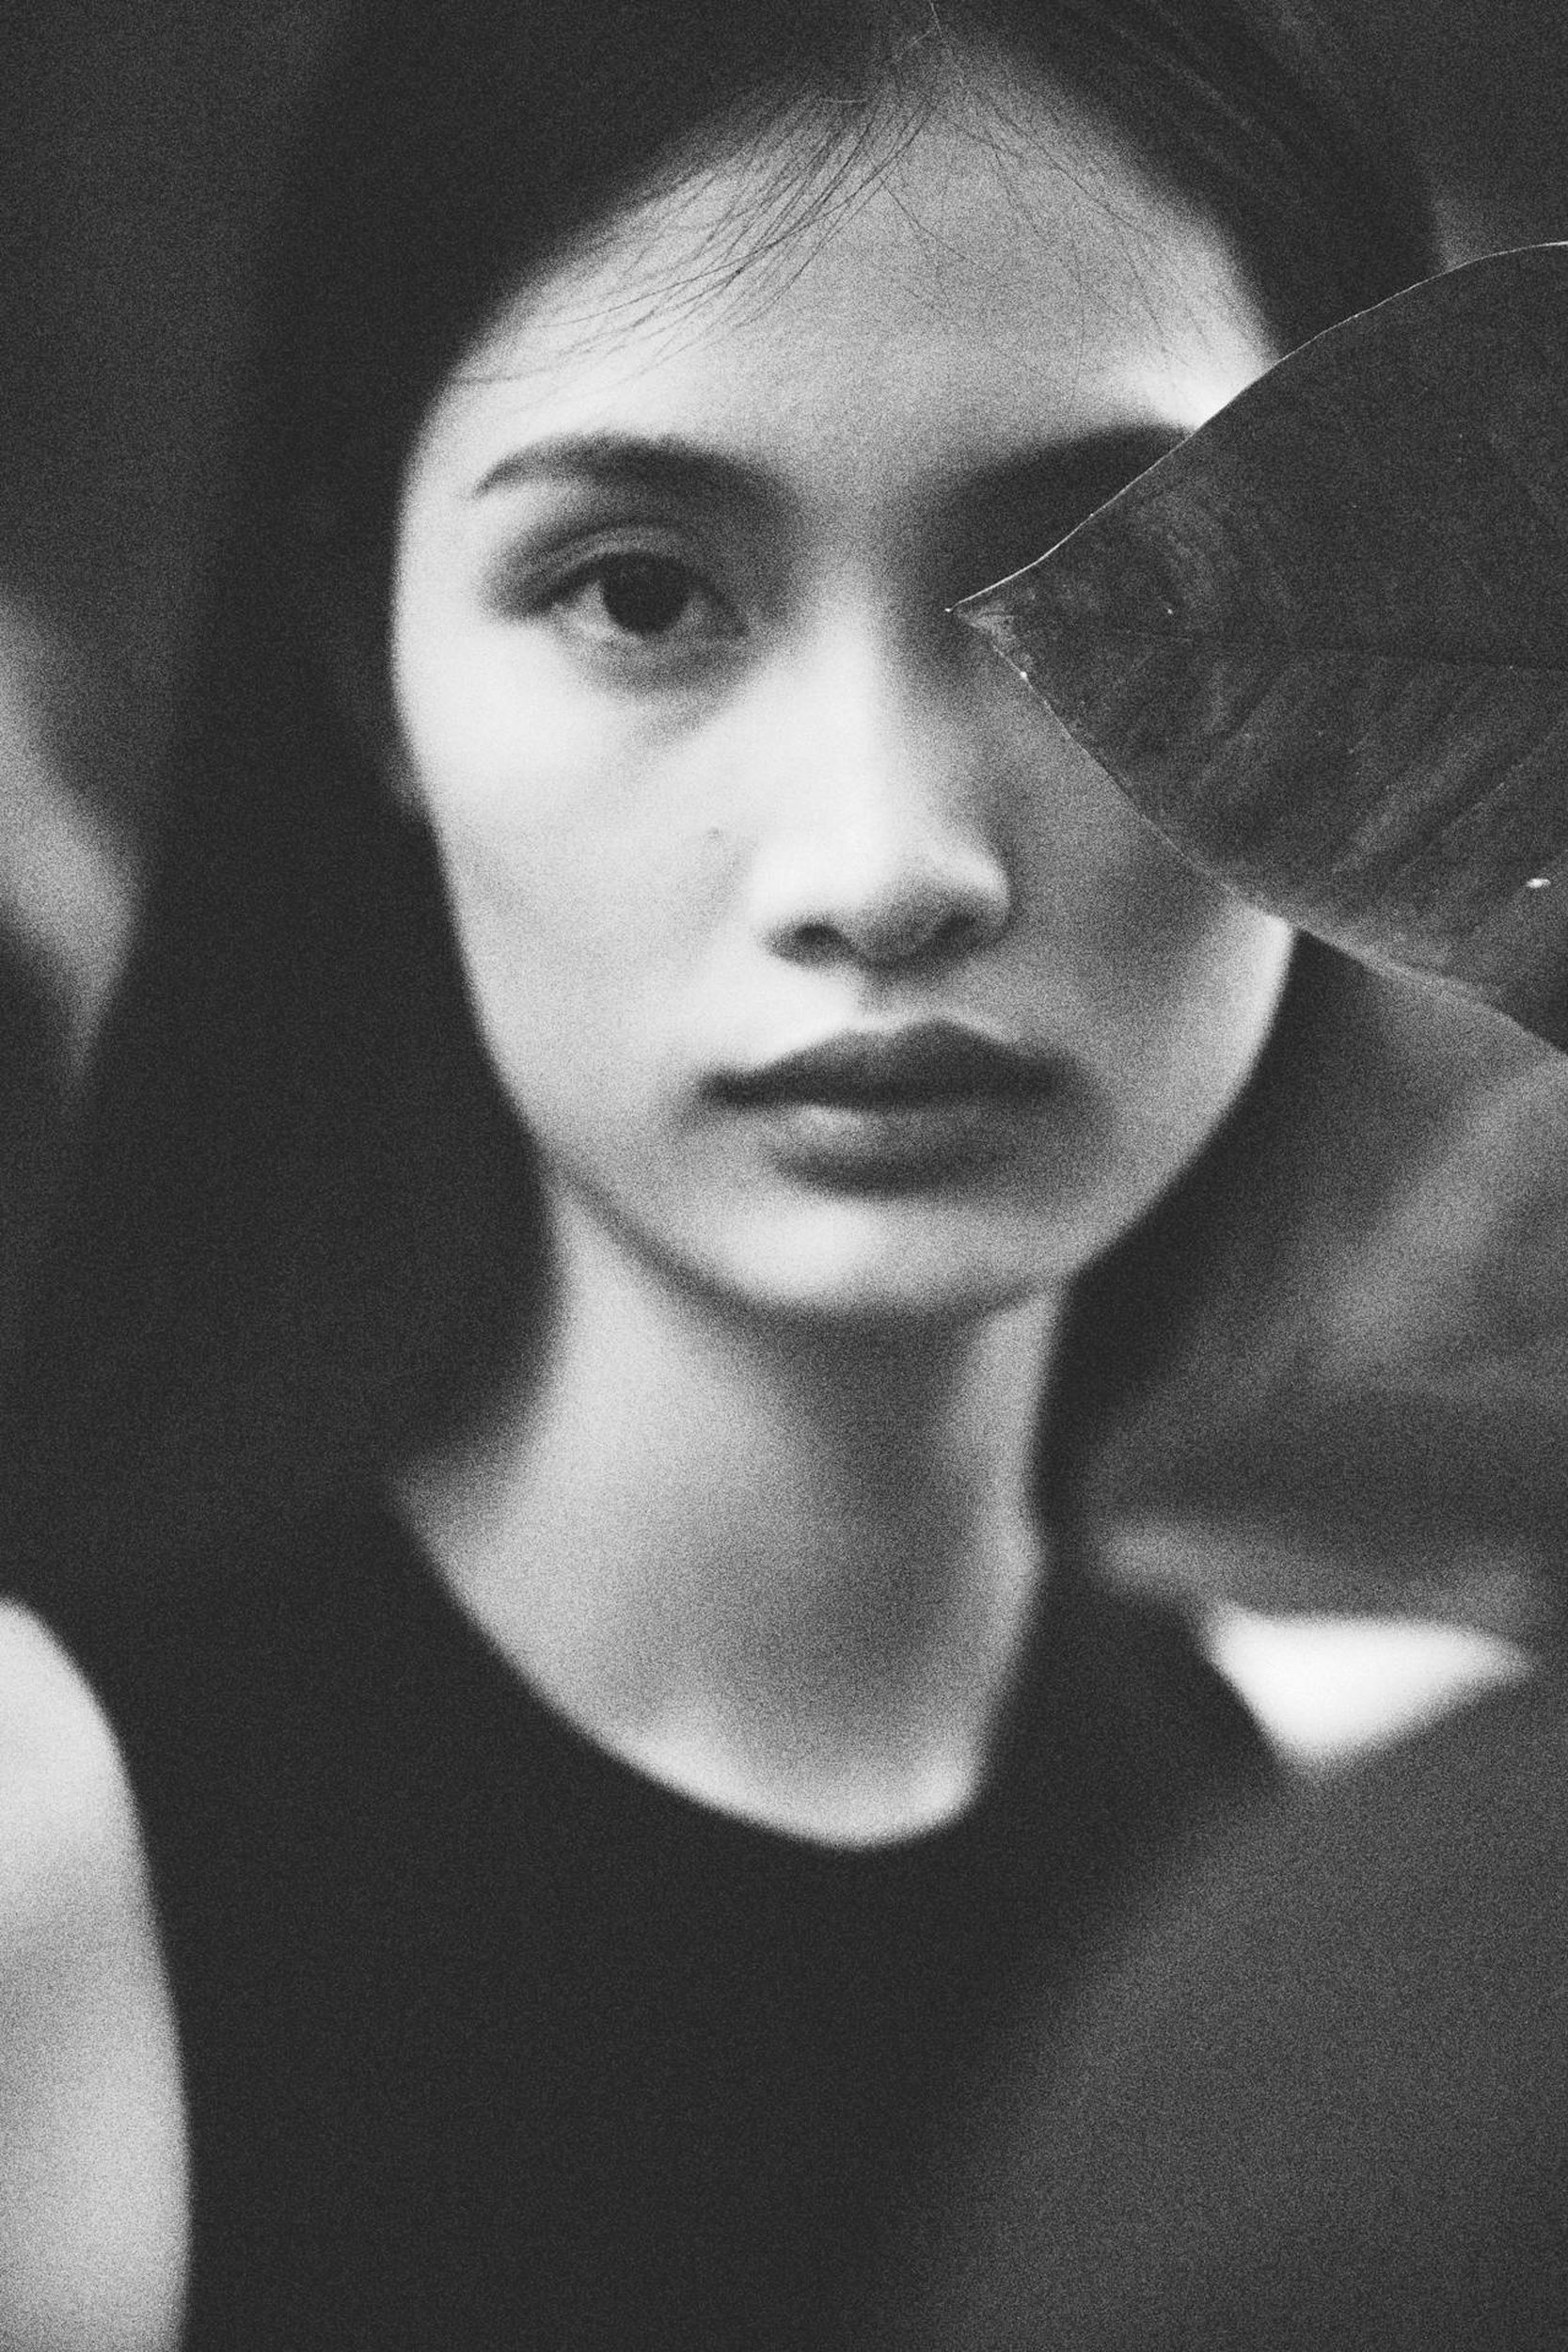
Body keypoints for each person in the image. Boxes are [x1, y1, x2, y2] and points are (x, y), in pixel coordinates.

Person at [0, 1, 1438, 2344]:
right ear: (368, 664)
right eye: (644, 592)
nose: (884, 863)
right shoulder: (52, 1860)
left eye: (1111, 588)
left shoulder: (1320, 1897)